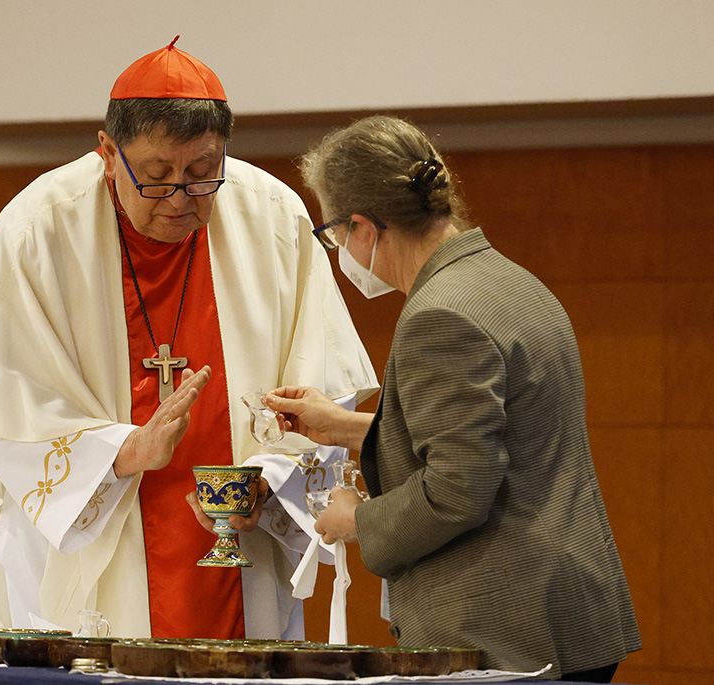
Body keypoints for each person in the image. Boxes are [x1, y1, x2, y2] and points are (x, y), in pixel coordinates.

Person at [0, 37, 378, 640]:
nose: (180, 198)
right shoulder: (37, 229)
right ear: (106, 152)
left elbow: (327, 387)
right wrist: (122, 453)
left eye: (202, 174)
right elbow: (5, 407)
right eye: (156, 176)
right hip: (87, 555)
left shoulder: (273, 217)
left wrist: (270, 482)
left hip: (239, 560)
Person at [264, 115, 641, 681]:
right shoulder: (510, 281)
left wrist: (358, 520)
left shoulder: (438, 314)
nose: (339, 250)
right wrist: (344, 425)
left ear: (364, 227)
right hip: (564, 613)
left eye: (334, 234)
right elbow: (495, 435)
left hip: (502, 628)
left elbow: (458, 487)